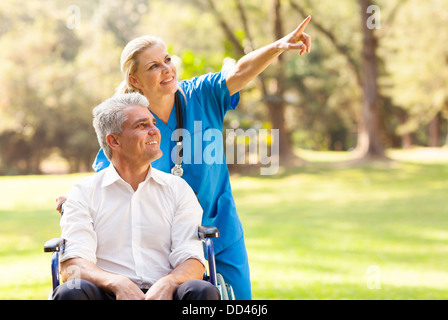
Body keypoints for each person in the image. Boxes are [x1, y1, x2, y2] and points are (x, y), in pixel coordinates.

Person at [56, 16, 312, 300]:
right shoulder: (130, 123)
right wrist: (73, 199)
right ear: (134, 79)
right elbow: (110, 177)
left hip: (218, 228)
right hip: (164, 242)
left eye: (167, 60)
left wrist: (278, 46)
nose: (167, 69)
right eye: (154, 66)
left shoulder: (202, 95)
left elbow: (241, 69)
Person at [53, 93, 220, 300]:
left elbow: (192, 260)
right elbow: (72, 265)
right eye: (142, 125)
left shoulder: (178, 189)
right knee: (70, 292)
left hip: (166, 292)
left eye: (153, 123)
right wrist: (117, 283)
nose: (155, 131)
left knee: (202, 291)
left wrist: (169, 283)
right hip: (106, 292)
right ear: (114, 140)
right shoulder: (84, 192)